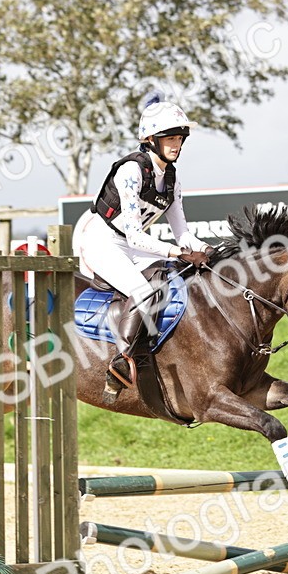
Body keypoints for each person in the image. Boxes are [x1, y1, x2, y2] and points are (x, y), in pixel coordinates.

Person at [74, 95, 212, 398]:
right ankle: (120, 363)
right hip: (100, 240)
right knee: (144, 291)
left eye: (179, 138)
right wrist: (178, 252)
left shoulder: (172, 179)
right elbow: (137, 237)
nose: (176, 145)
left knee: (174, 278)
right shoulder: (131, 171)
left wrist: (208, 250)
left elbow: (183, 234)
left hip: (131, 245)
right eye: (169, 138)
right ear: (150, 139)